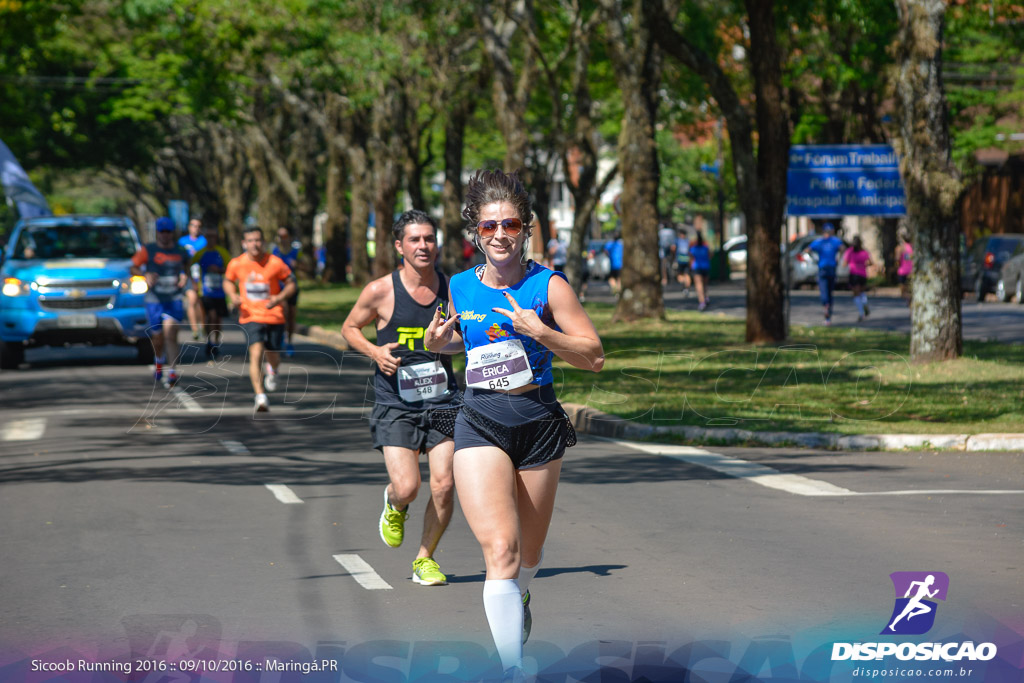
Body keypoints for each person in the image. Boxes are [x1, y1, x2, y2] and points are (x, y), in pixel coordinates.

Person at [425, 170, 604, 682]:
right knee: (499, 549)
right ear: (474, 234)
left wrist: (541, 330)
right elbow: (475, 345)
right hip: (479, 417)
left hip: (538, 420)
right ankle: (513, 669)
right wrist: (443, 347)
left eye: (509, 224)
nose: (499, 234)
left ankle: (521, 594)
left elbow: (594, 356)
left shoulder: (548, 285)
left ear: (526, 230)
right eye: (488, 227)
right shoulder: (459, 285)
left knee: (529, 549)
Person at [341, 210, 461, 588]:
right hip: (396, 403)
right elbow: (349, 327)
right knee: (409, 486)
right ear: (399, 246)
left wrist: (449, 345)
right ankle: (395, 504)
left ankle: (424, 559)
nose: (423, 246)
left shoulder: (452, 289)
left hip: (443, 399)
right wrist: (375, 352)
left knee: (444, 483)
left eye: (429, 238)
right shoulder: (380, 290)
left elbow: (465, 339)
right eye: (415, 239)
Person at [222, 227, 296, 413]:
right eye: (250, 240)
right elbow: (228, 280)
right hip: (250, 315)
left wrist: (279, 298)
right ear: (244, 243)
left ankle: (274, 370)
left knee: (273, 354)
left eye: (258, 240)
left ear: (263, 242)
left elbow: (291, 283)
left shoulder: (275, 262)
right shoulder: (237, 263)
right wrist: (232, 295)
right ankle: (260, 396)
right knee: (256, 352)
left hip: (273, 314)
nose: (254, 244)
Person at [131, 217, 190, 387]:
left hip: (174, 298)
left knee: (171, 333)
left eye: (168, 232)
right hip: (154, 300)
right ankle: (159, 360)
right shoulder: (148, 250)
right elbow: (133, 266)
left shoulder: (180, 250)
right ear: (157, 232)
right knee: (158, 337)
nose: (165, 235)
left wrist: (185, 275)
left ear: (173, 233)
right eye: (162, 232)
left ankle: (172, 371)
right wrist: (145, 275)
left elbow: (187, 265)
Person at [191, 228, 232, 359]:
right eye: (208, 237)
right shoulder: (200, 253)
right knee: (209, 316)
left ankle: (216, 341)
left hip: (220, 291)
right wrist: (194, 284)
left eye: (213, 237)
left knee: (218, 319)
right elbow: (190, 267)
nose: (211, 239)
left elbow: (231, 269)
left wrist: (219, 270)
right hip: (206, 291)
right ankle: (209, 341)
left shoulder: (222, 252)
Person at [805, 222, 844, 325]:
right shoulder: (835, 241)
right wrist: (839, 259)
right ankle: (828, 312)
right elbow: (842, 248)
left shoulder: (819, 242)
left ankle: (825, 306)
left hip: (822, 268)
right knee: (830, 291)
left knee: (823, 290)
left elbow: (807, 250)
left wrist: (814, 259)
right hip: (832, 268)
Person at [272, 226, 302, 357]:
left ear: (289, 237)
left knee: (291, 316)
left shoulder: (296, 252)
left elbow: (306, 266)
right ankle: (282, 339)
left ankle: (289, 341)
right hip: (279, 289)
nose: (282, 239)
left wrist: (297, 265)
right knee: (283, 313)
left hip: (293, 287)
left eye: (285, 236)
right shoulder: (274, 252)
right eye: (280, 236)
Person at [178, 217, 208, 341]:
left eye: (198, 226)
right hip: (188, 274)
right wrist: (182, 274)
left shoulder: (203, 241)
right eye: (193, 225)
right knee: (192, 299)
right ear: (189, 227)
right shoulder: (182, 241)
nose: (196, 228)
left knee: (201, 303)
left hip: (201, 276)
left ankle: (202, 326)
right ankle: (195, 330)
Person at [843, 235, 873, 322]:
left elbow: (844, 263)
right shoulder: (864, 252)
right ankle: (865, 303)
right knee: (862, 292)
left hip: (854, 274)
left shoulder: (850, 251)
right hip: (863, 274)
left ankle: (861, 313)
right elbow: (870, 262)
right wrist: (863, 264)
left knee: (856, 294)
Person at [689, 230, 712, 310]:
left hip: (697, 268)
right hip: (706, 267)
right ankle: (706, 297)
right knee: (705, 284)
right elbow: (710, 255)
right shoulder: (705, 248)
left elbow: (691, 257)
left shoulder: (693, 248)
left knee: (699, 285)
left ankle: (702, 302)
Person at [896, 231, 914, 306]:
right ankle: (910, 301)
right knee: (910, 289)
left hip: (902, 271)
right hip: (912, 271)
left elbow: (897, 259)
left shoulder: (900, 248)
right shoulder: (914, 247)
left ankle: (909, 300)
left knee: (903, 291)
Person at [658, 221, 676, 286]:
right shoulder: (672, 231)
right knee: (671, 263)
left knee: (663, 264)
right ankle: (672, 277)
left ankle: (664, 278)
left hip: (663, 249)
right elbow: (674, 242)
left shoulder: (661, 232)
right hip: (670, 249)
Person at [674, 226, 692, 295]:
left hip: (680, 260)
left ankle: (684, 285)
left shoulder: (677, 240)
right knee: (687, 275)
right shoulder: (688, 241)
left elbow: (673, 248)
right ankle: (686, 288)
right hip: (687, 260)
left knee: (680, 275)